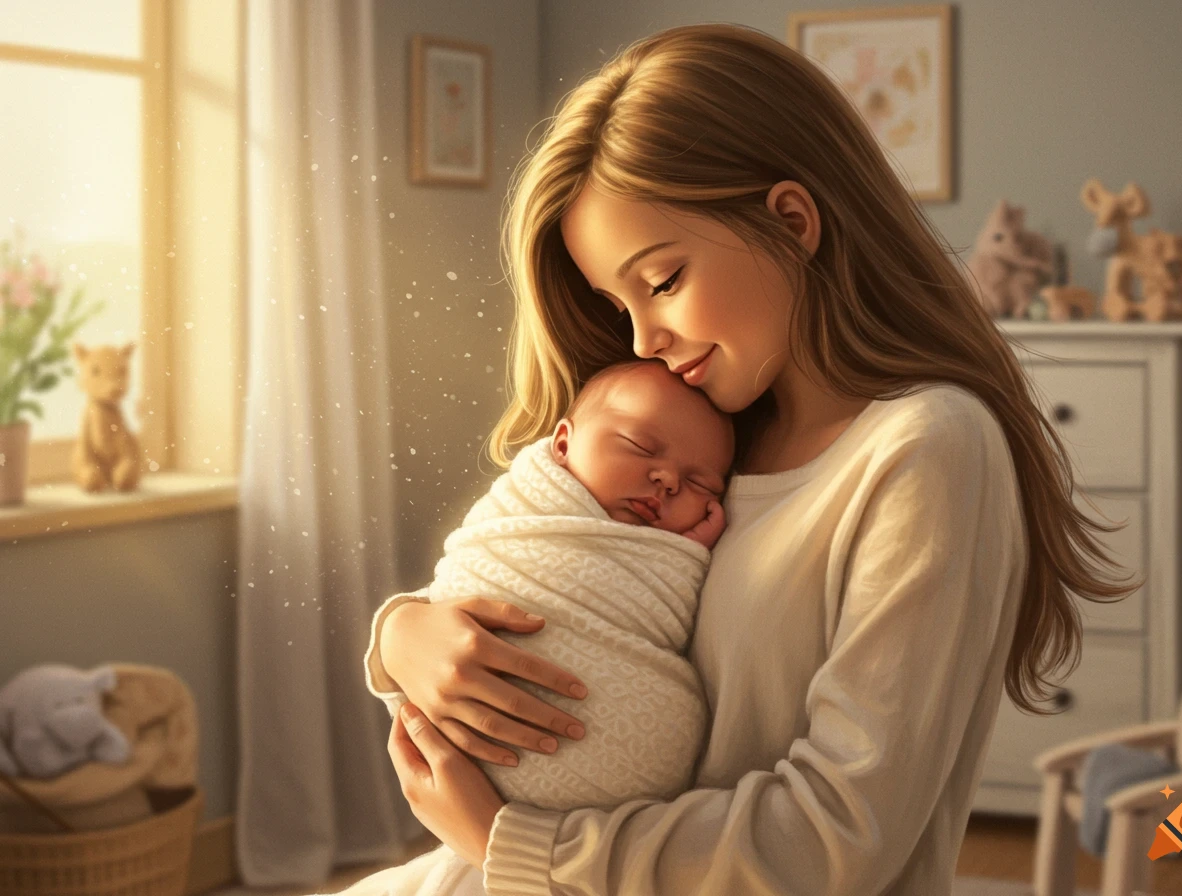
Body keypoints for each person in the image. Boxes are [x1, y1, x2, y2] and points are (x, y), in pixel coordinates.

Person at [363, 22, 1141, 896]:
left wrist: (514, 844)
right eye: (618, 305)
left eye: (662, 282)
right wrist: (404, 637)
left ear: (792, 222)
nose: (644, 340)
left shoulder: (926, 448)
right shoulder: (703, 442)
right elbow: (551, 573)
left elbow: (837, 836)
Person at [335, 358, 733, 896]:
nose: (667, 480)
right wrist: (398, 627)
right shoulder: (521, 508)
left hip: (597, 844)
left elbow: (662, 613)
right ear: (563, 443)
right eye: (640, 447)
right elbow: (474, 575)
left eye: (700, 484)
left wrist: (682, 560)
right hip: (486, 794)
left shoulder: (678, 554)